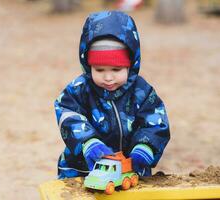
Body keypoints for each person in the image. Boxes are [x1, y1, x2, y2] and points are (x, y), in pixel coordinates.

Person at [54, 11, 170, 179]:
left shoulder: (142, 91)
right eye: (99, 70)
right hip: (83, 170)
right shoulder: (80, 89)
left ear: (130, 65)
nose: (108, 78)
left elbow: (155, 122)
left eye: (116, 69)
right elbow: (67, 113)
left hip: (129, 169)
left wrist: (145, 147)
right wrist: (88, 142)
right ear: (88, 66)